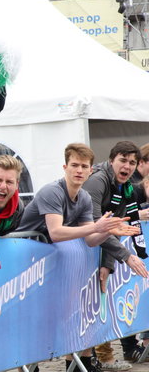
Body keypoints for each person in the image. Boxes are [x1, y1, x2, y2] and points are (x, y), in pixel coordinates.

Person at [17, 143, 138, 372]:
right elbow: (57, 232)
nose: (79, 171)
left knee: (61, 314)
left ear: (90, 170)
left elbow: (91, 239)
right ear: (65, 167)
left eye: (84, 166)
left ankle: (70, 361)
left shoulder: (82, 196)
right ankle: (29, 365)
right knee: (33, 316)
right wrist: (98, 226)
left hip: (46, 262)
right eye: (74, 165)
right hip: (24, 258)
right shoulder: (52, 191)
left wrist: (106, 230)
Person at [83, 141, 149, 368]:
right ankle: (96, 357)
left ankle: (97, 358)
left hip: (96, 245)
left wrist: (107, 263)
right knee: (80, 309)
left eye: (132, 162)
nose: (127, 166)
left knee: (95, 302)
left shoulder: (125, 187)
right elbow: (96, 224)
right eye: (123, 160)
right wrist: (126, 256)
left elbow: (116, 227)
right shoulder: (98, 180)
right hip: (75, 242)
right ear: (112, 161)